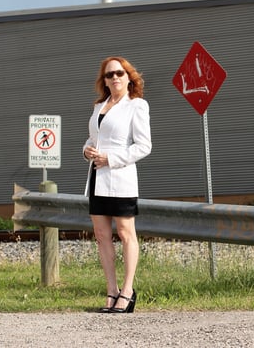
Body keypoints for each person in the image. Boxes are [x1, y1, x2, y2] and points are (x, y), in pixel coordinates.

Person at [83, 56, 152, 313]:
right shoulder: (99, 106)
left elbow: (144, 146)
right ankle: (111, 291)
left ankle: (127, 290)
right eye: (109, 75)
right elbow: (93, 139)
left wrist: (111, 158)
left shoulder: (137, 106)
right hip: (97, 179)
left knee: (125, 234)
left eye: (119, 73)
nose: (115, 78)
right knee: (102, 237)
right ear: (104, 80)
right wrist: (87, 151)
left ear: (128, 77)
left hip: (121, 178)